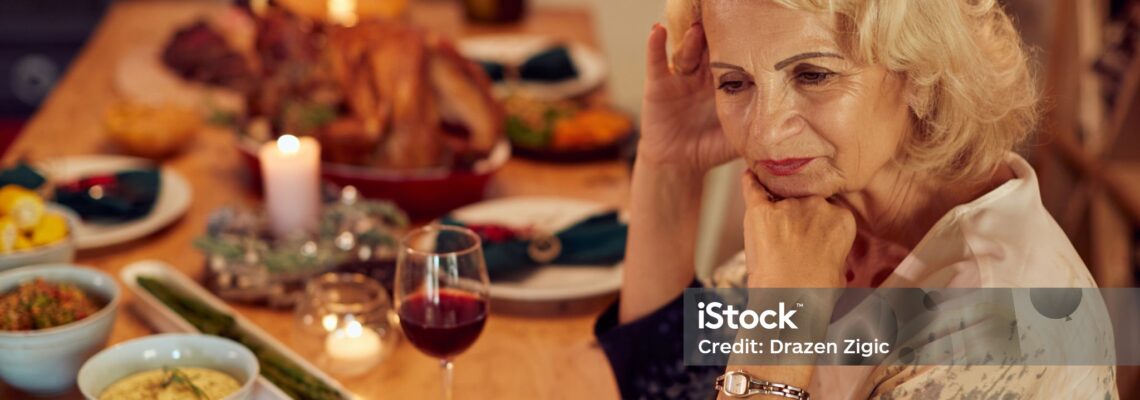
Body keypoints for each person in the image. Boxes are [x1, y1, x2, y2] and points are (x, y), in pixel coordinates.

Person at [593, 0, 1120, 399]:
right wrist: (669, 165)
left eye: (814, 74)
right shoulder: (820, 215)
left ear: (920, 72)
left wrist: (783, 323)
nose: (765, 133)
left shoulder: (1006, 326)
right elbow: (671, 386)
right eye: (735, 83)